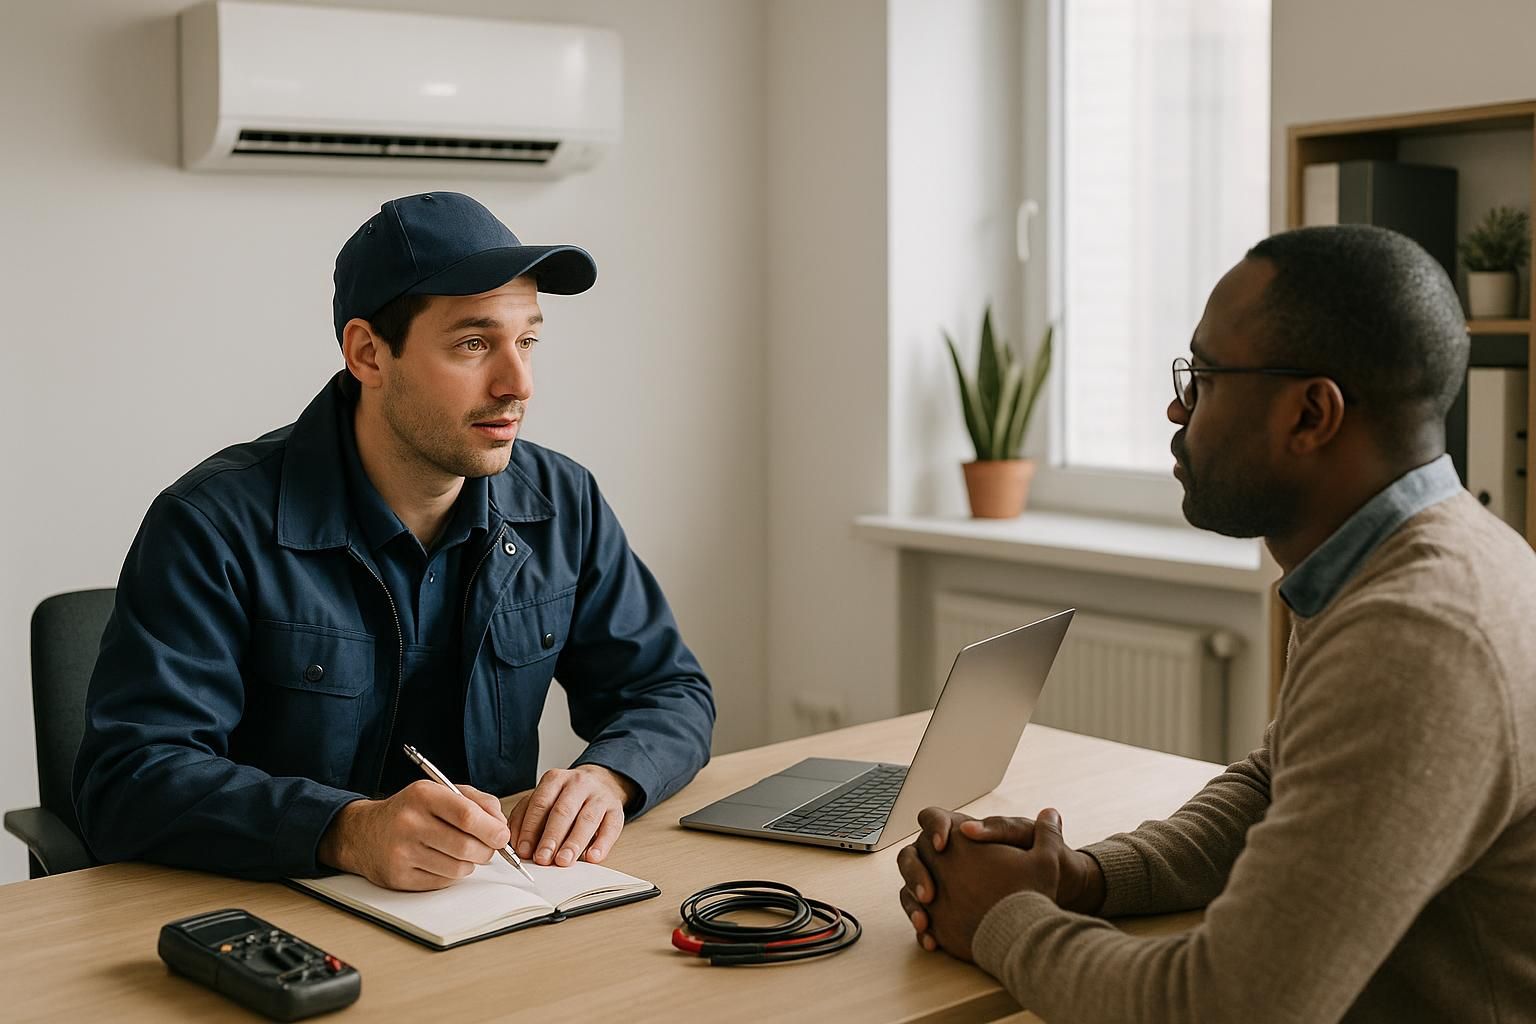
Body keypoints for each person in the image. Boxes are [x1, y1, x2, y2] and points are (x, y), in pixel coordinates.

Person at [896, 225, 1536, 1021]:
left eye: (1202, 376)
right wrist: (1081, 879)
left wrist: (999, 918)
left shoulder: (1419, 634)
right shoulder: (1394, 557)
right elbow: (1275, 786)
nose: (1176, 404)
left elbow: (1226, 1008)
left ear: (1311, 414)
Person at [75, 192, 715, 891]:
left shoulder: (564, 503)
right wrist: (344, 830)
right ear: (368, 354)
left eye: (527, 340)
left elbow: (667, 689)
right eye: (474, 344)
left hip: (491, 910)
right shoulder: (212, 523)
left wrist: (612, 775)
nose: (517, 383)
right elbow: (131, 778)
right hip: (280, 921)